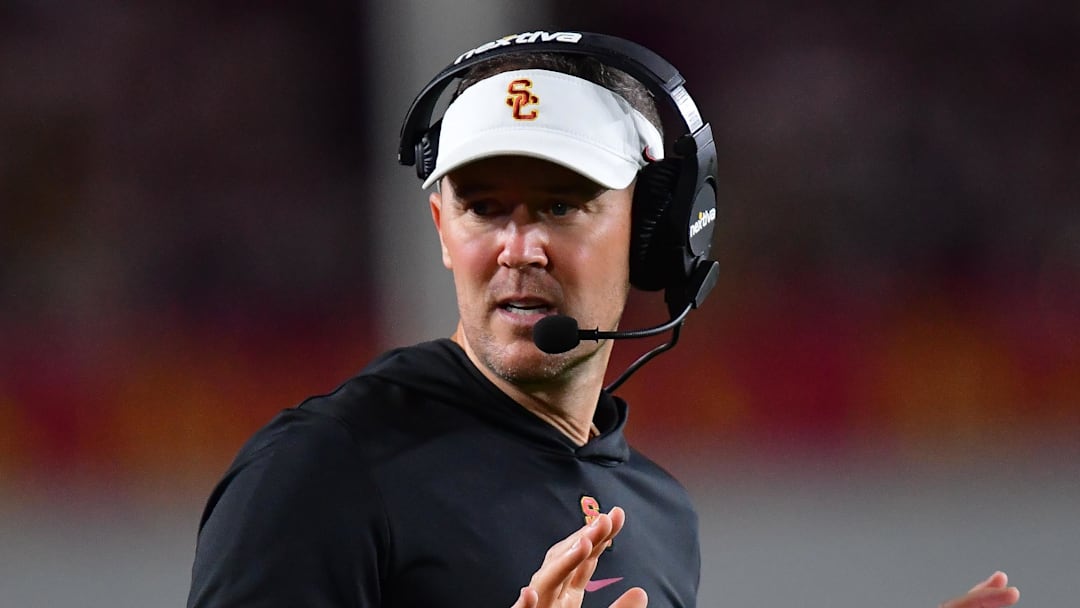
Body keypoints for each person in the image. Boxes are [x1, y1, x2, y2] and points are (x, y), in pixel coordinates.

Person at [186, 31, 1020, 608]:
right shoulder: (322, 471)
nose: (519, 247)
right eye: (483, 208)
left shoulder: (658, 511)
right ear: (442, 230)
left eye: (560, 204)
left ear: (652, 232)